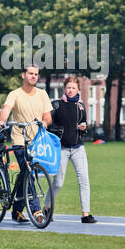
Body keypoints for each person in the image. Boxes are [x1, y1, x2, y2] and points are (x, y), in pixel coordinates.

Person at [0, 64, 53, 224]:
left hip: (37, 141)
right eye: (31, 73)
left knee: (25, 175)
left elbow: (48, 116)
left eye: (36, 74)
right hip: (20, 139)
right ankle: (37, 211)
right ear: (23, 75)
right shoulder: (15, 94)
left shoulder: (42, 94)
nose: (34, 76)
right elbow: (6, 109)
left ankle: (17, 211)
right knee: (29, 174)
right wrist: (1, 121)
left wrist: (45, 123)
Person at [45, 76, 97, 223]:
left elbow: (83, 125)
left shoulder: (81, 106)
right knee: (58, 182)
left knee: (84, 180)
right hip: (61, 148)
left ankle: (85, 214)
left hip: (78, 148)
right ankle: (47, 208)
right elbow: (49, 125)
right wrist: (59, 130)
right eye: (68, 87)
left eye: (74, 88)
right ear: (64, 89)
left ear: (78, 90)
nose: (71, 90)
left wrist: (83, 128)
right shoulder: (55, 105)